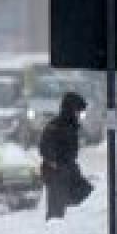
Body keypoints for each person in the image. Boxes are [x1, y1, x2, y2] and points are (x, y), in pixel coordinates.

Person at [39, 92, 93, 220]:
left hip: (69, 168)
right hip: (56, 172)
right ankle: (54, 233)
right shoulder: (56, 126)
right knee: (56, 210)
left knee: (86, 194)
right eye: (78, 111)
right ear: (71, 109)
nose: (80, 115)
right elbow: (45, 147)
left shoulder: (71, 125)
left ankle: (73, 225)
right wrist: (55, 163)